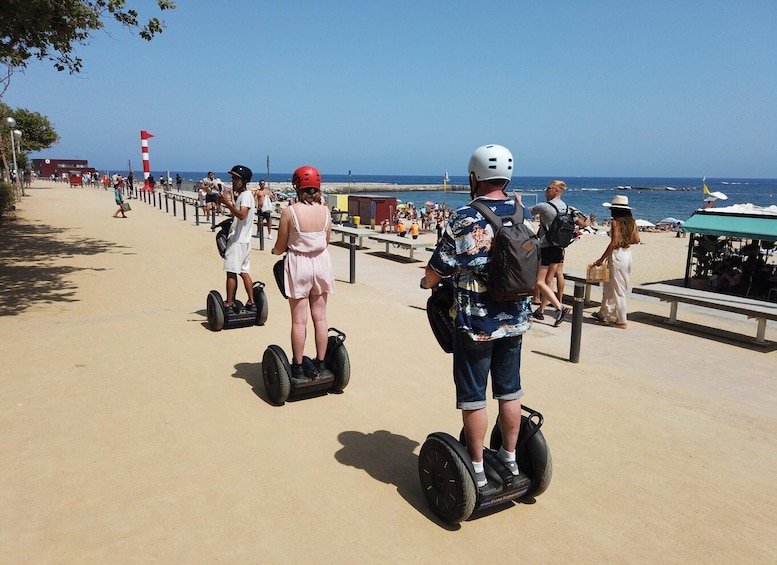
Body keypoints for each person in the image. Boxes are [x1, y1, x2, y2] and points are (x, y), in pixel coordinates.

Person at [421, 144, 530, 489]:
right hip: (514, 319)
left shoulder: (464, 217)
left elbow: (439, 268)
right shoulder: (519, 210)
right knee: (510, 392)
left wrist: (426, 281)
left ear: (473, 176)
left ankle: (478, 468)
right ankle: (511, 461)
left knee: (473, 396)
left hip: (476, 324)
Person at [271, 165, 335, 380]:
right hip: (321, 263)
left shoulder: (290, 212)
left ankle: (297, 366)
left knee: (299, 321)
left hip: (299, 264)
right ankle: (321, 361)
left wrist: (275, 251)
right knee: (321, 318)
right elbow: (326, 240)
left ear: (297, 186)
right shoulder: (325, 211)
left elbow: (280, 246)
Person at [592, 195, 640, 329]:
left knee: (618, 289)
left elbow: (613, 243)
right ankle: (603, 313)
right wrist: (625, 240)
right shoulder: (632, 222)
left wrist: (601, 259)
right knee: (609, 285)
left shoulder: (615, 222)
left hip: (617, 255)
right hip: (627, 254)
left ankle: (621, 320)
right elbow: (636, 239)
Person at [528, 180, 571, 327]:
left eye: (548, 188)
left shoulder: (544, 206)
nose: (545, 191)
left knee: (540, 281)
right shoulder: (567, 208)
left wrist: (518, 202)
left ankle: (560, 307)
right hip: (559, 247)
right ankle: (541, 310)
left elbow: (525, 213)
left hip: (546, 246)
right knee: (549, 280)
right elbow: (582, 222)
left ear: (556, 191)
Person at [220, 165, 257, 313]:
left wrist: (227, 203)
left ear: (244, 181)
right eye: (232, 178)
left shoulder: (246, 196)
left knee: (231, 271)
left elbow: (242, 214)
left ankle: (229, 303)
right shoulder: (243, 196)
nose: (233, 180)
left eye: (236, 178)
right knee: (243, 271)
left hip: (238, 241)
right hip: (244, 240)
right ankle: (252, 301)